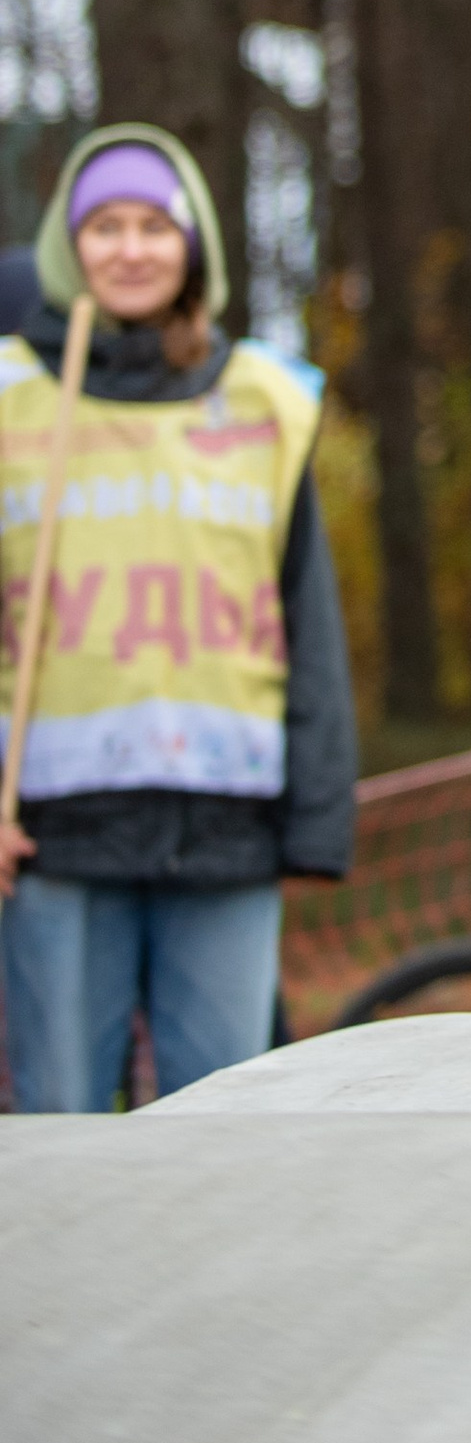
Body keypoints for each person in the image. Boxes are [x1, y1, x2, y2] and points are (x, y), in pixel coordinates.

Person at [0, 127, 357, 1108]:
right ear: (70, 246)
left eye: (153, 226)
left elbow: (305, 621)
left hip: (224, 830)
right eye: (104, 226)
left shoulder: (264, 401)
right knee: (59, 1129)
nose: (129, 248)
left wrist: (316, 818)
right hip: (54, 838)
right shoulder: (12, 403)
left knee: (223, 1130)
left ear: (191, 244)